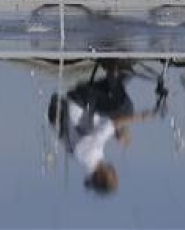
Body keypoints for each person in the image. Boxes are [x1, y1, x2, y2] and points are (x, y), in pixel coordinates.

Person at [47, 60, 155, 194]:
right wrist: (118, 133)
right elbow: (100, 126)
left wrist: (143, 116)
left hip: (81, 100)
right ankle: (115, 68)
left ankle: (112, 67)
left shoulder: (88, 155)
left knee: (125, 110)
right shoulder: (90, 156)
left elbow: (112, 122)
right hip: (85, 102)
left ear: (100, 177)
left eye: (113, 177)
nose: (116, 173)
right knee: (124, 78)